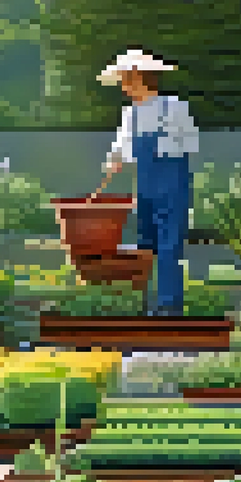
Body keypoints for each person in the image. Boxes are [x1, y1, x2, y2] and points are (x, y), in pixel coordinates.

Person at [98, 49, 200, 317]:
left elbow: (191, 143)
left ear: (140, 77)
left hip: (172, 185)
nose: (123, 86)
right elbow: (120, 146)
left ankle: (169, 306)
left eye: (126, 79)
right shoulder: (129, 114)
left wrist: (162, 147)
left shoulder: (174, 107)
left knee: (169, 245)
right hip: (144, 187)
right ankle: (142, 305)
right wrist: (114, 161)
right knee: (145, 244)